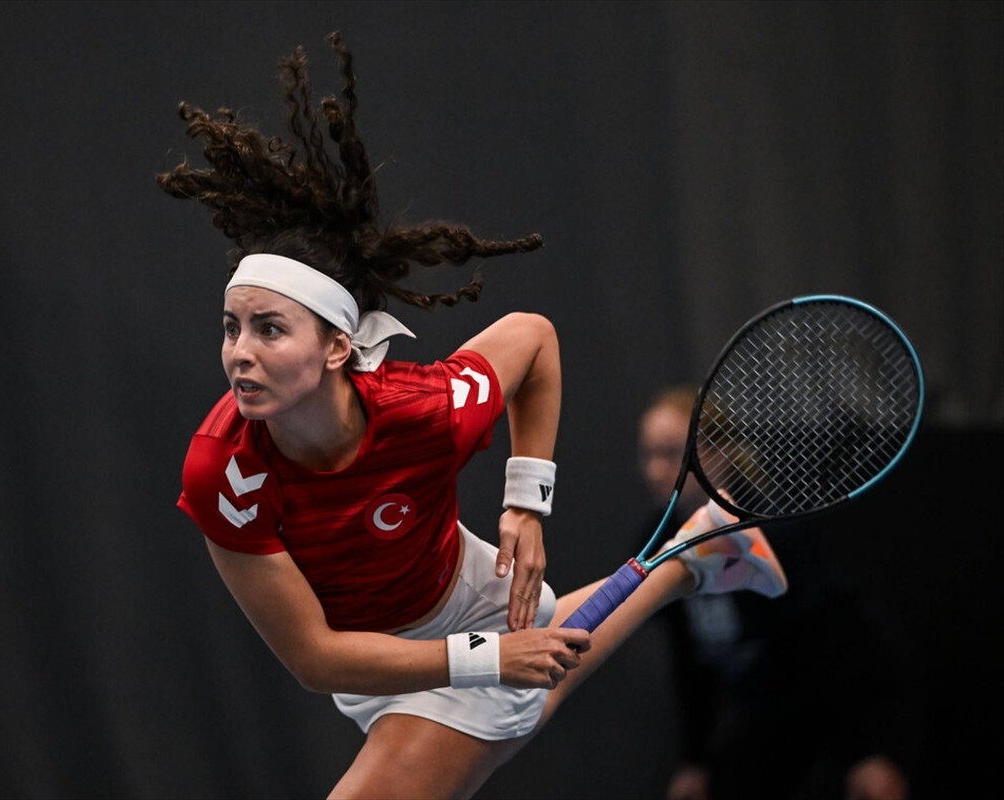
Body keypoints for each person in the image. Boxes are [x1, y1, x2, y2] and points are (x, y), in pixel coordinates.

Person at [158, 33, 788, 799]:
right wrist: (492, 658)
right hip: (369, 663)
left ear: (335, 347)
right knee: (530, 676)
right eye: (232, 327)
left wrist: (527, 499)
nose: (240, 354)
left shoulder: (419, 413)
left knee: (505, 702)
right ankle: (689, 558)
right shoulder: (222, 469)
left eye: (269, 329)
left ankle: (686, 562)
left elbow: (532, 336)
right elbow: (315, 660)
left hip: (468, 607)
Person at [636, 385, 912, 800]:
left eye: (672, 454)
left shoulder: (774, 532)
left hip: (832, 714)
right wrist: (694, 761)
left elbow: (831, 648)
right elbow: (690, 658)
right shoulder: (654, 539)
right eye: (649, 455)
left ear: (718, 453)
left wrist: (865, 754)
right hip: (761, 717)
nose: (657, 470)